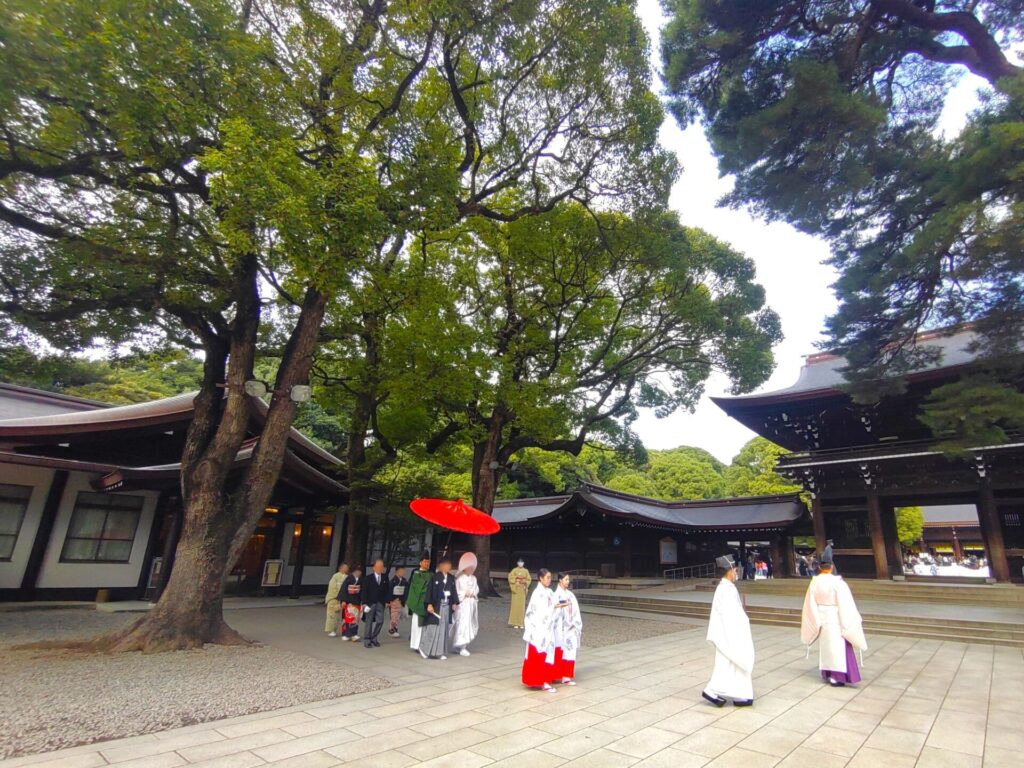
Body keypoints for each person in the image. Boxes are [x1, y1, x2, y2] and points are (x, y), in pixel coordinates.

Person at [800, 553, 867, 687]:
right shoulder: (838, 583)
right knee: (839, 646)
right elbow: (846, 603)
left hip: (821, 615)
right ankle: (838, 676)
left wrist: (814, 620)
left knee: (827, 646)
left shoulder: (814, 582)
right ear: (831, 567)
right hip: (836, 615)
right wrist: (849, 620)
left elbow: (810, 604)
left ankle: (829, 673)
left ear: (819, 567)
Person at [702, 555, 755, 707]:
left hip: (730, 630)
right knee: (727, 662)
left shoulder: (726, 588)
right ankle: (712, 689)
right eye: (735, 570)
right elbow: (730, 614)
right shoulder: (726, 590)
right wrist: (743, 621)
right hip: (729, 632)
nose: (737, 572)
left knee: (732, 663)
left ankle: (740, 693)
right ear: (729, 571)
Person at [521, 568, 562, 692]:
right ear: (541, 578)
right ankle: (540, 680)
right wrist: (552, 609)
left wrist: (558, 606)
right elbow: (536, 612)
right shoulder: (537, 593)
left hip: (548, 627)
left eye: (550, 577)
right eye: (547, 577)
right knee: (539, 653)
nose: (549, 580)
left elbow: (553, 604)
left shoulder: (549, 591)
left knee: (548, 653)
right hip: (539, 627)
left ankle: (546, 679)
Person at [419, 556, 460, 660]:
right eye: (446, 565)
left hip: (447, 606)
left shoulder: (451, 578)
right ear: (441, 566)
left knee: (444, 629)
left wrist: (455, 602)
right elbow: (430, 591)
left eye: (449, 565)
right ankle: (424, 649)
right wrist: (429, 604)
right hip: (437, 605)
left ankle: (440, 652)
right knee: (433, 628)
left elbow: (454, 591)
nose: (448, 567)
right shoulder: (435, 577)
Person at [552, 572, 582, 685]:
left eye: (568, 579)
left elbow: (576, 611)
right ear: (560, 580)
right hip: (561, 628)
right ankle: (557, 674)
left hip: (571, 627)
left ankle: (567, 675)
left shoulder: (570, 595)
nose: (567, 582)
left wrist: (575, 623)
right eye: (565, 579)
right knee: (561, 651)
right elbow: (554, 609)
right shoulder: (556, 595)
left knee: (571, 651)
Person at [451, 552, 479, 657]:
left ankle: (463, 645)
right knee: (462, 624)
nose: (471, 569)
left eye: (472, 567)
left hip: (471, 603)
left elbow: (476, 589)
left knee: (469, 623)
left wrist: (473, 593)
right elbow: (457, 592)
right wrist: (464, 593)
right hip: (463, 604)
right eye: (469, 567)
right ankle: (461, 646)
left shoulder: (474, 578)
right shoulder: (459, 579)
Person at [359, 559, 391, 649]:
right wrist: (364, 603)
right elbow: (364, 591)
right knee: (368, 621)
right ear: (374, 568)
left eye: (381, 567)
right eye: (378, 567)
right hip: (370, 602)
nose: (380, 568)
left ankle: (374, 637)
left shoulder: (385, 577)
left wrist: (388, 601)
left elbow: (387, 590)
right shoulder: (368, 578)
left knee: (380, 621)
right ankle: (367, 639)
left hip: (380, 602)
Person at [407, 552, 432, 651]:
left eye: (428, 562)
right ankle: (416, 645)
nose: (427, 564)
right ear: (420, 563)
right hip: (419, 603)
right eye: (425, 562)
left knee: (425, 626)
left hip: (427, 602)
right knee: (417, 626)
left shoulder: (430, 574)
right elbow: (419, 588)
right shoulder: (416, 574)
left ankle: (423, 644)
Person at [324, 562, 349, 637]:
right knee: (332, 615)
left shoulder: (347, 577)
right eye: (345, 567)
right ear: (340, 568)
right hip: (334, 598)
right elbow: (332, 587)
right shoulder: (335, 576)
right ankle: (332, 630)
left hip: (343, 598)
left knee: (342, 615)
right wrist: (337, 596)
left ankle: (344, 630)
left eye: (347, 568)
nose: (346, 569)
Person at [339, 565, 362, 642]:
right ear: (354, 571)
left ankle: (354, 634)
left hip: (356, 600)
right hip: (349, 601)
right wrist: (343, 600)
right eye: (357, 571)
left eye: (360, 571)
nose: (359, 573)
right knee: (348, 618)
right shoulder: (348, 579)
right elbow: (343, 590)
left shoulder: (360, 580)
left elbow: (362, 590)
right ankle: (345, 634)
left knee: (355, 619)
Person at [507, 558, 531, 629]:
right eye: (519, 562)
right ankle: (515, 623)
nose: (520, 563)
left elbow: (529, 579)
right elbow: (510, 577)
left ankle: (521, 623)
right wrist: (516, 578)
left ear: (523, 563)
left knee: (521, 607)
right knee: (515, 607)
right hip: (516, 590)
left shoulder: (526, 571)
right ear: (517, 563)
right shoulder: (514, 570)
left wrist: (525, 582)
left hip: (522, 590)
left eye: (522, 562)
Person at [388, 566, 409, 638]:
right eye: (401, 571)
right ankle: (392, 631)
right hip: (394, 600)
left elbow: (406, 591)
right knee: (394, 616)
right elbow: (389, 591)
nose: (402, 572)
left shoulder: (404, 581)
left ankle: (395, 630)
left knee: (398, 616)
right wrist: (389, 601)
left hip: (401, 600)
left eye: (403, 571)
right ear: (396, 572)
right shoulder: (392, 581)